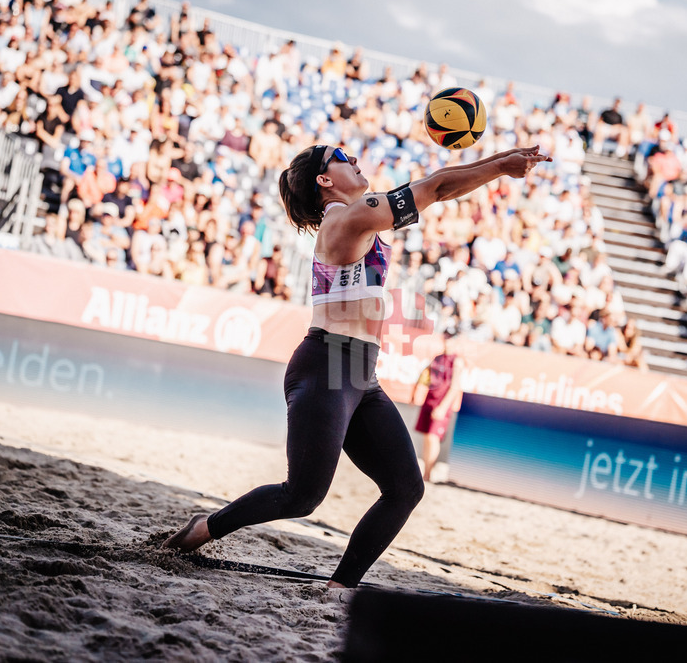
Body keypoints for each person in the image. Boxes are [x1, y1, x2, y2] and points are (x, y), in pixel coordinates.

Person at [162, 143, 550, 589]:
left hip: (361, 373)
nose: (357, 162)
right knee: (301, 496)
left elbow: (435, 185)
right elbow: (436, 187)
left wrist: (500, 161)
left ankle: (339, 586)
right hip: (326, 365)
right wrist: (499, 166)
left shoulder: (359, 215)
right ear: (324, 180)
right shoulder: (348, 216)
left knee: (406, 488)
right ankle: (204, 527)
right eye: (343, 158)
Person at [411, 329, 464, 483]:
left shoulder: (456, 361)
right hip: (430, 401)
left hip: (441, 404)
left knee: (433, 438)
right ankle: (425, 474)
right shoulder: (438, 358)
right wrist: (416, 392)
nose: (448, 341)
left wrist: (443, 407)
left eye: (451, 339)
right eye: (446, 338)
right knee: (427, 438)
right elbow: (424, 376)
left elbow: (455, 387)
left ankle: (428, 474)